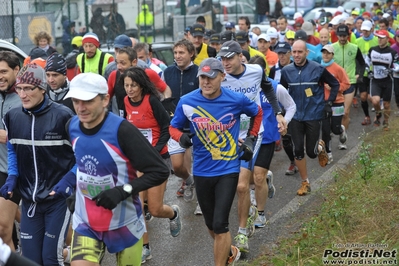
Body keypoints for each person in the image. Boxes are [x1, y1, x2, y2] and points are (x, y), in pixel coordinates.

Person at [50, 72, 170, 265]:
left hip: (125, 223)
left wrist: (123, 191)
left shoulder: (122, 130)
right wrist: (76, 190)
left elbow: (160, 172)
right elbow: (82, 164)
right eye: (76, 101)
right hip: (86, 221)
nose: (80, 108)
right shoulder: (71, 126)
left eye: (87, 101)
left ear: (105, 99)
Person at [169, 58, 263, 266]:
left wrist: (251, 138)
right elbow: (173, 127)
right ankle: (230, 250)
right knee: (211, 224)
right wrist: (180, 138)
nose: (206, 82)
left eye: (211, 77)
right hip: (202, 170)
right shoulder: (187, 102)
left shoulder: (236, 100)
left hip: (228, 168)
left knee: (220, 224)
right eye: (202, 77)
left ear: (222, 76)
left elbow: (257, 112)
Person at [0, 64, 75, 265]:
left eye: (28, 89)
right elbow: (13, 149)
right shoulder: (13, 117)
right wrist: (13, 176)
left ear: (42, 89)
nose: (22, 95)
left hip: (57, 200)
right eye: (19, 88)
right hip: (30, 201)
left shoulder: (64, 116)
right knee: (31, 260)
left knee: (51, 259)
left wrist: (68, 180)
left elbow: (82, 156)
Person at [219, 40, 286, 253]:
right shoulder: (219, 76)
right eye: (222, 58)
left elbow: (267, 87)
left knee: (241, 186)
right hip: (227, 135)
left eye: (229, 58)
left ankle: (241, 232)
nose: (226, 62)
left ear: (241, 56)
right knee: (230, 185)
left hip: (253, 133)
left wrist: (277, 112)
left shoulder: (256, 70)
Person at [121, 67, 180, 263]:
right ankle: (145, 247)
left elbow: (166, 127)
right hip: (137, 161)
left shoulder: (152, 101)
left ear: (141, 85)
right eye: (126, 85)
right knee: (137, 206)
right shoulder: (126, 102)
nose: (129, 89)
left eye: (133, 85)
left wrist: (154, 151)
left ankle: (173, 213)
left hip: (157, 161)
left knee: (155, 209)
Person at [279, 40, 340, 196]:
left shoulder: (318, 69)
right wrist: (280, 111)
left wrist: (329, 103)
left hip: (313, 114)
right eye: (294, 52)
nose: (297, 55)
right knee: (298, 150)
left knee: (312, 153)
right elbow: (281, 91)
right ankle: (305, 182)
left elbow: (334, 84)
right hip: (295, 116)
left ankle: (319, 147)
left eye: (300, 52)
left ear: (307, 52)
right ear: (291, 53)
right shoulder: (286, 71)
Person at [248, 55, 296, 228]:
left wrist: (285, 122)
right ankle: (266, 180)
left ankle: (260, 214)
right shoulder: (244, 89)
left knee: (258, 177)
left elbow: (291, 106)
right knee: (246, 179)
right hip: (247, 139)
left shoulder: (275, 88)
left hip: (267, 139)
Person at [162, 39, 199, 212]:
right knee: (177, 167)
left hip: (197, 125)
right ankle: (189, 181)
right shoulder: (167, 72)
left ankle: (201, 200)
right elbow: (162, 95)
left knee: (199, 163)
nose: (177, 56)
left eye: (181, 52)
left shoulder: (199, 72)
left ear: (191, 53)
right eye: (175, 53)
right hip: (175, 125)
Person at [107, 47, 171, 117]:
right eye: (117, 62)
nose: (118, 67)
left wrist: (166, 105)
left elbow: (166, 89)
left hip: (148, 121)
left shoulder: (148, 74)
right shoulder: (114, 75)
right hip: (125, 122)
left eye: (123, 63)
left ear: (134, 62)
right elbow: (106, 98)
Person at [0, 51, 22, 253]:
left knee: (3, 228)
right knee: (5, 229)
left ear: (17, 70)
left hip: (19, 171)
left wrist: (5, 136)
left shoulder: (25, 95)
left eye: (3, 71)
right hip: (1, 169)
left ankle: (78, 242)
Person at [332, 25, 366, 149]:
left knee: (345, 113)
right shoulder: (332, 48)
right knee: (335, 113)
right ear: (337, 36)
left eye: (344, 36)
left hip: (350, 82)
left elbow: (362, 64)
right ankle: (336, 130)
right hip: (335, 84)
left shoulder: (354, 48)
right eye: (340, 36)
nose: (342, 38)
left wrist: (359, 75)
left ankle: (342, 139)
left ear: (348, 35)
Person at [320, 44, 350, 164]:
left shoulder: (338, 69)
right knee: (326, 130)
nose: (325, 55)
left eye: (328, 53)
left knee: (335, 129)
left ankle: (341, 130)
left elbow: (347, 84)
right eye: (324, 52)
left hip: (337, 102)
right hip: (323, 103)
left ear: (332, 55)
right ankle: (328, 153)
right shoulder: (319, 68)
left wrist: (334, 87)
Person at [367, 30, 399, 130]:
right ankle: (378, 114)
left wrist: (392, 70)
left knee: (386, 104)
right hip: (375, 80)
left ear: (387, 39)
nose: (379, 40)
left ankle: (386, 121)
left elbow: (397, 65)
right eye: (378, 38)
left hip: (388, 81)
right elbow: (366, 61)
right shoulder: (372, 50)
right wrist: (368, 70)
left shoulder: (392, 52)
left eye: (382, 38)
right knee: (375, 101)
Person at [357, 20, 379, 126]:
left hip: (374, 73)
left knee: (372, 98)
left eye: (366, 30)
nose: (364, 32)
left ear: (371, 29)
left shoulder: (377, 40)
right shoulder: (357, 42)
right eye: (363, 30)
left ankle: (377, 115)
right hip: (362, 73)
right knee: (363, 96)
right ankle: (367, 116)